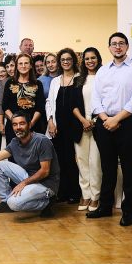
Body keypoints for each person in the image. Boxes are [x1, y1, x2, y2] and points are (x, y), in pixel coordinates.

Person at [87, 32, 132, 226]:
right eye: (114, 44)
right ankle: (105, 207)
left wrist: (116, 119)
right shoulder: (103, 71)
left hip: (127, 122)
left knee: (129, 167)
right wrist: (106, 119)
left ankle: (128, 211)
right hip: (105, 123)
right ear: (109, 48)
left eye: (121, 43)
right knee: (107, 167)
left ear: (127, 46)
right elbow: (96, 99)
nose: (118, 47)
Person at [46, 48, 80, 204]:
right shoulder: (55, 81)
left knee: (74, 160)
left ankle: (75, 192)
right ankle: (63, 192)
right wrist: (50, 121)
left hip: (75, 126)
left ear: (73, 60)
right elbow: (49, 103)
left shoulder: (80, 78)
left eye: (68, 59)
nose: (66, 62)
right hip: (58, 127)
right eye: (63, 60)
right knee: (60, 161)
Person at [71, 47, 103, 211]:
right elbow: (73, 105)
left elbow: (107, 102)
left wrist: (94, 121)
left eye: (93, 58)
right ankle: (85, 195)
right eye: (87, 58)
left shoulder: (104, 77)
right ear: (83, 61)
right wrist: (84, 120)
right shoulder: (78, 79)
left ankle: (96, 196)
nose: (90, 61)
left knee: (95, 162)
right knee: (82, 161)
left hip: (99, 125)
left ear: (98, 59)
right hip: (81, 126)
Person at [2, 53, 45, 145]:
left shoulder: (38, 83)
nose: (23, 66)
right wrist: (16, 122)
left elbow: (40, 107)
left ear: (30, 66)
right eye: (20, 63)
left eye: (26, 63)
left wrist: (31, 123)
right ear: (17, 66)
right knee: (13, 157)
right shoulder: (9, 83)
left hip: (33, 127)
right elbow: (5, 106)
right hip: (13, 128)